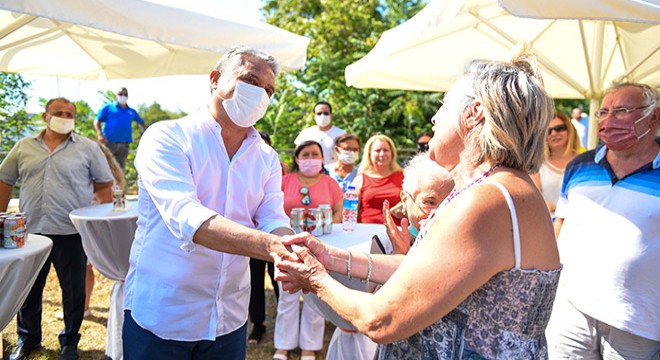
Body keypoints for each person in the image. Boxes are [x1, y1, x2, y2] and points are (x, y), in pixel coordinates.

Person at [275, 51, 561, 359]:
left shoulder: (489, 199)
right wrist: (332, 257)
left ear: (474, 112)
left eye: (443, 104)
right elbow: (422, 270)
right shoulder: (499, 188)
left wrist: (316, 278)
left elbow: (382, 320)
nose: (435, 118)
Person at [121, 46, 296, 360]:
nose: (260, 95)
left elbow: (272, 216)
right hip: (164, 313)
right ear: (215, 79)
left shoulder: (266, 157)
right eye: (250, 81)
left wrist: (292, 250)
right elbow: (187, 216)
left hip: (228, 316)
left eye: (268, 90)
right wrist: (273, 247)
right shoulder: (167, 137)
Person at [547, 83, 660, 359]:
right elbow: (560, 226)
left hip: (638, 322)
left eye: (621, 111)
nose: (609, 120)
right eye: (604, 112)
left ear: (654, 117)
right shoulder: (580, 165)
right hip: (570, 311)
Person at [0, 97, 114, 360]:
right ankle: (27, 339)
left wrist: (94, 220)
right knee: (28, 289)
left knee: (73, 291)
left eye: (69, 113)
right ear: (45, 117)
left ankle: (70, 342)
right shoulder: (23, 147)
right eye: (59, 113)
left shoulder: (87, 148)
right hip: (30, 233)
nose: (65, 117)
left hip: (70, 231)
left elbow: (104, 184)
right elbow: (5, 179)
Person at [273, 140, 344, 360]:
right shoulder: (284, 181)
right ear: (296, 158)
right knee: (287, 295)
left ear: (323, 159)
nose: (310, 158)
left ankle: (309, 347)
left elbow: (339, 211)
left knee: (316, 294)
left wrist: (324, 236)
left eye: (315, 154)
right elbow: (272, 208)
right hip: (288, 244)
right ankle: (283, 346)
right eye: (305, 155)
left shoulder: (330, 183)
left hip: (319, 246)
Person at [246, 131, 284, 345]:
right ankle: (257, 324)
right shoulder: (240, 174)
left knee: (279, 279)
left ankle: (284, 319)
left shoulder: (278, 172)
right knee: (254, 281)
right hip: (251, 239)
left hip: (275, 237)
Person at [383, 154, 454, 255]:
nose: (439, 211)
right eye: (430, 202)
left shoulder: (464, 245)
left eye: (449, 202)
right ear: (405, 200)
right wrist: (399, 253)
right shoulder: (385, 245)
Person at [530, 112, 582, 214]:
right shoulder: (537, 164)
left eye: (559, 128)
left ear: (569, 130)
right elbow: (534, 197)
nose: (554, 133)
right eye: (548, 131)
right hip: (548, 223)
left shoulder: (584, 162)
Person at [353, 134, 404, 225]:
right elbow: (351, 212)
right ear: (369, 153)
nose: (382, 154)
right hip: (368, 232)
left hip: (398, 232)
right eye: (377, 150)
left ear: (392, 153)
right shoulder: (360, 180)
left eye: (386, 150)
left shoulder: (404, 176)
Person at [93, 87, 147, 169]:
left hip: (124, 144)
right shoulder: (108, 108)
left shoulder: (131, 111)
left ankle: (119, 182)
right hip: (109, 142)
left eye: (125, 94)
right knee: (105, 167)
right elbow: (97, 121)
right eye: (120, 94)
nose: (123, 96)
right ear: (116, 96)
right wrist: (100, 134)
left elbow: (141, 123)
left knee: (120, 169)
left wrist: (143, 133)